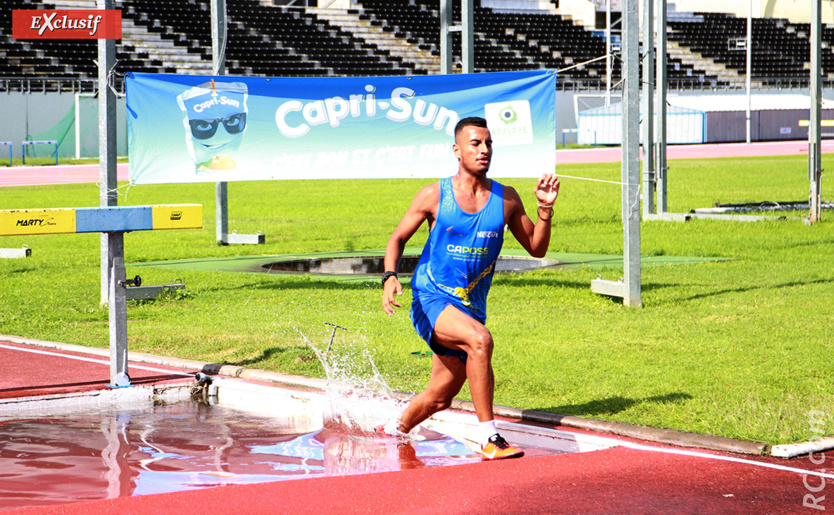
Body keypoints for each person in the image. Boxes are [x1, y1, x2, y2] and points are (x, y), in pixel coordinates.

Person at [379, 116, 560, 460]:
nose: (484, 150)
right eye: (475, 143)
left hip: (470, 306)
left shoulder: (506, 199)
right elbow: (398, 237)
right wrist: (389, 276)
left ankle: (393, 431)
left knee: (439, 397)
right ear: (457, 149)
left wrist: (545, 209)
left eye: (489, 143)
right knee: (481, 341)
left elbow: (537, 248)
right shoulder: (435, 194)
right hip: (431, 298)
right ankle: (489, 437)